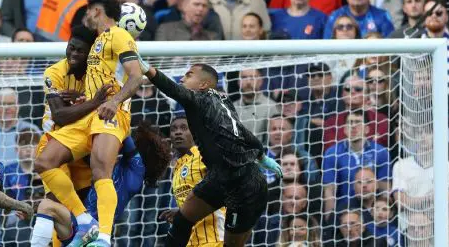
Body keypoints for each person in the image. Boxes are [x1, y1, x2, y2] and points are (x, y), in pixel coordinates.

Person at [34, 0, 144, 247]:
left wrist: (114, 102)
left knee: (100, 171)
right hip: (90, 115)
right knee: (45, 161)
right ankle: (85, 221)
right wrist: (85, 98)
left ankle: (104, 238)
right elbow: (103, 80)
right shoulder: (97, 42)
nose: (85, 15)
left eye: (88, 10)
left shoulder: (119, 35)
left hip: (111, 113)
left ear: (97, 11)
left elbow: (136, 76)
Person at [139, 60, 282, 246]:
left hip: (244, 185)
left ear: (203, 85)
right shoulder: (224, 101)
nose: (182, 78)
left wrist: (147, 70)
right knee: (182, 220)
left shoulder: (199, 98)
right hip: (223, 177)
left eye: (189, 75)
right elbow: (242, 131)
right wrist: (262, 157)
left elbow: (173, 89)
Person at [31, 121, 171, 247]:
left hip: (93, 232)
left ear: (144, 149)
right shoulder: (122, 170)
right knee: (46, 206)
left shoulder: (137, 168)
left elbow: (122, 132)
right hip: (81, 227)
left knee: (47, 206)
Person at [159, 116, 225, 246]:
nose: (178, 132)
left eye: (184, 128)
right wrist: (181, 212)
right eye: (174, 129)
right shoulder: (177, 168)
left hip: (213, 240)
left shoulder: (203, 155)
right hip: (190, 242)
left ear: (194, 132)